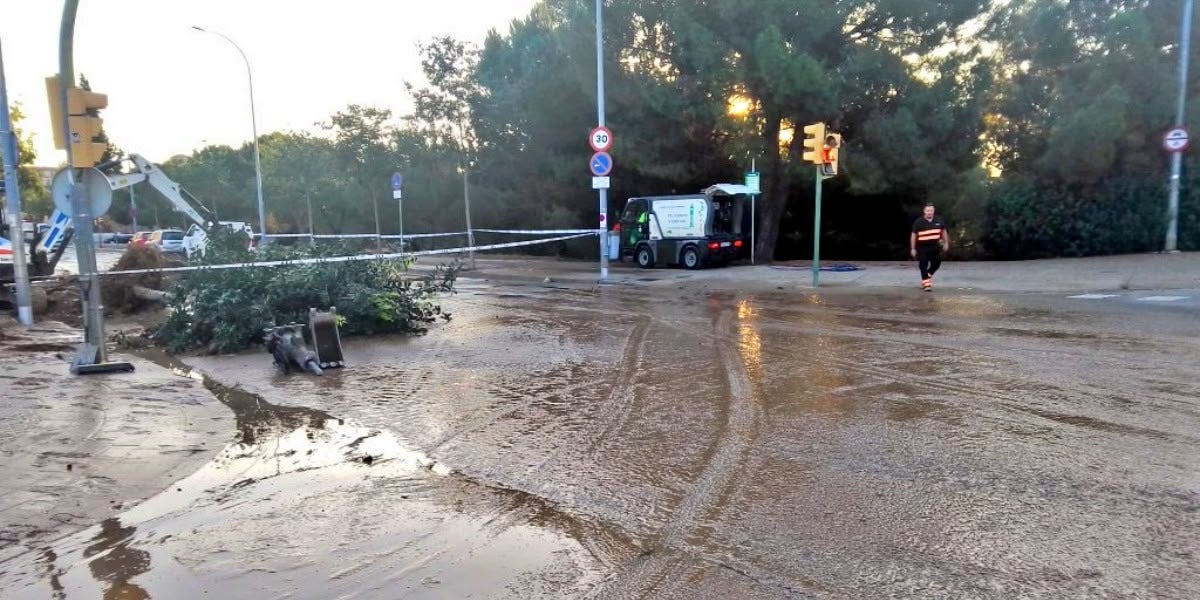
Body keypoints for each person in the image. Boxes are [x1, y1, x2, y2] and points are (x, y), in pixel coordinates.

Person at [910, 203, 949, 291]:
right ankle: (926, 284)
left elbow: (944, 231)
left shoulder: (939, 220)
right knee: (923, 264)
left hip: (935, 246)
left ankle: (927, 275)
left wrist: (946, 243)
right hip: (922, 247)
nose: (929, 212)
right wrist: (913, 248)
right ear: (924, 211)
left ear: (933, 211)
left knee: (937, 263)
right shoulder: (918, 222)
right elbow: (913, 235)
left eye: (931, 211)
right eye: (927, 211)